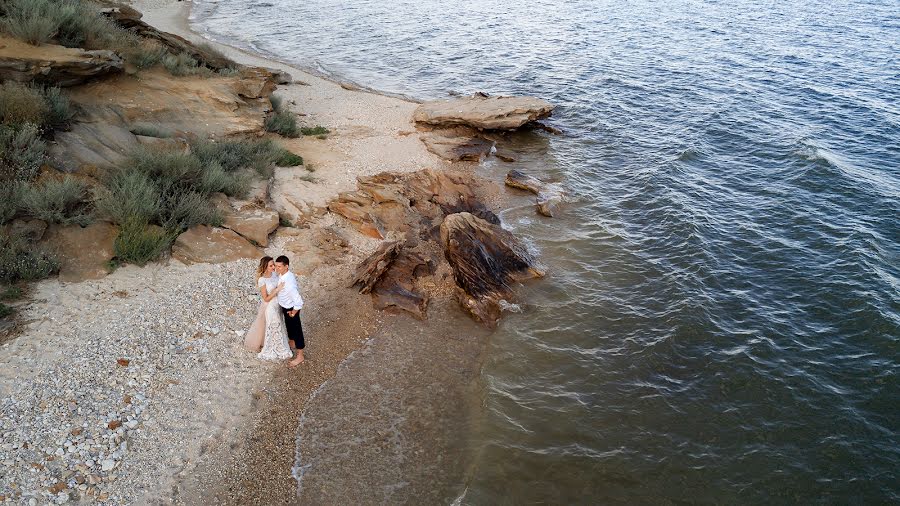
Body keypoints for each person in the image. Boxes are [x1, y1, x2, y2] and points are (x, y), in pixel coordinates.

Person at [244, 256, 292, 361]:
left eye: (273, 264)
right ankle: (274, 347)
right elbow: (265, 298)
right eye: (271, 265)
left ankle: (280, 344)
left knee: (279, 324)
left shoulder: (275, 274)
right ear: (265, 267)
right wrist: (276, 290)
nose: (273, 267)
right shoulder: (262, 280)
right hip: (270, 306)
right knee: (274, 325)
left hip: (278, 305)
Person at [274, 255, 306, 367]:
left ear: (286, 266)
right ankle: (291, 343)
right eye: (276, 266)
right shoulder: (283, 275)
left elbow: (299, 302)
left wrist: (293, 312)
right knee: (289, 327)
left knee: (297, 331)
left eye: (279, 267)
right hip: (285, 306)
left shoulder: (289, 284)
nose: (276, 268)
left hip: (291, 308)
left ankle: (300, 355)